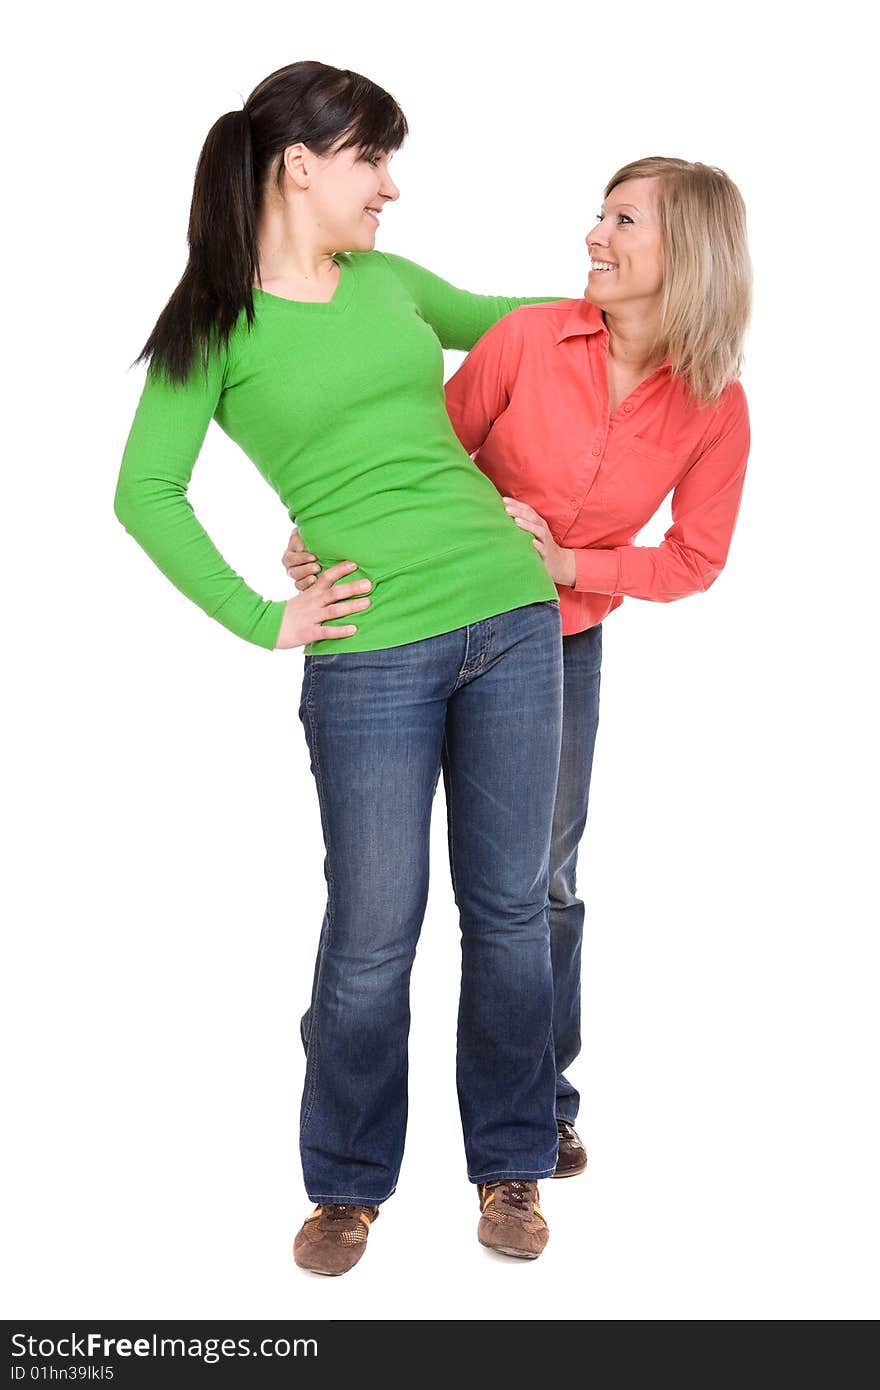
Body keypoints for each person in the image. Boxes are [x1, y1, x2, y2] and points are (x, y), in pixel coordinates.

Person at [113, 59, 571, 1275]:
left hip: (513, 616)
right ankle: (347, 1186)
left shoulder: (387, 282)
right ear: (297, 164)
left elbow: (527, 328)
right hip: (368, 656)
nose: (391, 187)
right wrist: (266, 618)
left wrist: (641, 280)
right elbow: (142, 494)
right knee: (374, 929)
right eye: (372, 158)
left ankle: (513, 1165)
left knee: (512, 911)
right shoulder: (212, 326)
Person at [284, 155, 753, 1180]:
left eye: (623, 221)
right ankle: (346, 1086)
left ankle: (536, 1103)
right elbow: (423, 451)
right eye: (599, 213)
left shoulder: (714, 406)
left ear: (691, 258)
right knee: (374, 904)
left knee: (537, 890)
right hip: (417, 622)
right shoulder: (528, 338)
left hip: (559, 643)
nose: (593, 235)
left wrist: (568, 564)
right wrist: (327, 536)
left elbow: (693, 558)